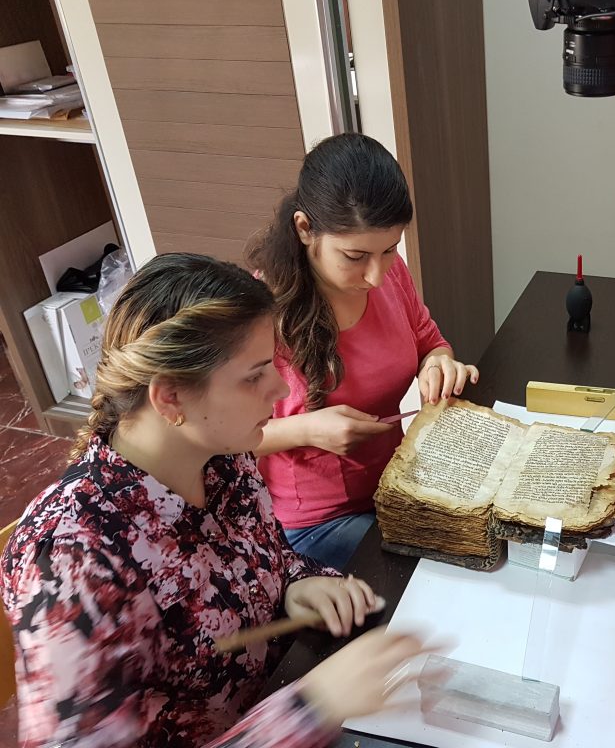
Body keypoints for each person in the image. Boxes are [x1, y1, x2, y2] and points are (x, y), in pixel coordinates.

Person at [0, 254, 430, 748]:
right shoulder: (71, 565)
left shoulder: (223, 456)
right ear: (171, 399)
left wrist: (295, 583)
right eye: (254, 376)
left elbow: (261, 561)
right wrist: (312, 709)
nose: (279, 389)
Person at [247, 133, 479, 570]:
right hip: (318, 520)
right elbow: (222, 437)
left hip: (396, 485)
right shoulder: (260, 313)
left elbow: (429, 339)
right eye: (355, 256)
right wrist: (307, 430)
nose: (376, 275)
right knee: (433, 576)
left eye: (389, 250)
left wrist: (439, 364)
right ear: (304, 229)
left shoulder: (390, 273)